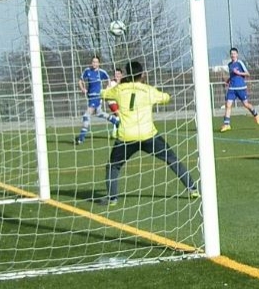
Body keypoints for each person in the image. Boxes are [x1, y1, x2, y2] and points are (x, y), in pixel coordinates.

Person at [99, 61, 199, 205]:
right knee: (172, 159)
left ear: (127, 74)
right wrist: (163, 95)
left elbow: (103, 94)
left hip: (126, 136)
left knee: (113, 166)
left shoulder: (119, 89)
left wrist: (108, 88)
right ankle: (193, 189)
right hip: (148, 135)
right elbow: (166, 98)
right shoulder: (148, 90)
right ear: (142, 75)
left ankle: (112, 198)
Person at [75, 55, 120, 145]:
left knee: (86, 115)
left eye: (96, 62)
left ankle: (81, 138)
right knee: (99, 113)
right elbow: (80, 81)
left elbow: (108, 79)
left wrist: (107, 89)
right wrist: (83, 89)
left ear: (99, 63)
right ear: (91, 63)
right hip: (90, 97)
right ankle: (116, 122)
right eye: (93, 62)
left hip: (97, 97)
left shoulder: (101, 72)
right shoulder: (87, 71)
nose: (94, 63)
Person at [220, 48, 259, 132]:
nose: (233, 55)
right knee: (228, 105)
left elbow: (247, 74)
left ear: (237, 54)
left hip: (241, 88)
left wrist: (239, 73)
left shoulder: (240, 63)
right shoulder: (229, 64)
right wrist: (228, 80)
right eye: (231, 53)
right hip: (232, 88)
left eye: (234, 53)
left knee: (246, 104)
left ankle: (256, 114)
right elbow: (232, 75)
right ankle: (227, 124)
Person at [106, 68, 122, 139]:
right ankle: (114, 132)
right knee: (119, 115)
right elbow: (107, 92)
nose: (117, 75)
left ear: (121, 75)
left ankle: (116, 132)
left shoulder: (123, 83)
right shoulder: (111, 83)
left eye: (118, 74)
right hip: (112, 102)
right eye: (115, 74)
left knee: (119, 117)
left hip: (120, 103)